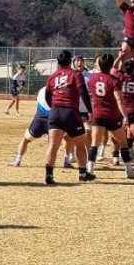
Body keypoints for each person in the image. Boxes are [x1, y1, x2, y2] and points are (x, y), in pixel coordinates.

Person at [43, 50, 95, 184]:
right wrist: (89, 110)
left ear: (58, 62)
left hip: (55, 111)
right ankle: (83, 173)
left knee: (53, 145)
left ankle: (49, 175)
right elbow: (83, 91)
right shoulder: (75, 74)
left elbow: (47, 95)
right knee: (80, 144)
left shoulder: (52, 76)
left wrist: (53, 107)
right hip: (70, 112)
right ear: (70, 61)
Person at [88, 54, 134, 179]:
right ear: (111, 65)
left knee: (94, 143)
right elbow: (119, 99)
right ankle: (129, 171)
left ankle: (90, 169)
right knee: (123, 143)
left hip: (98, 114)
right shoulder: (114, 80)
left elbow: (92, 94)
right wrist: (125, 116)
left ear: (99, 65)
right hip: (113, 115)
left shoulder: (92, 79)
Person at [8, 86, 75, 168]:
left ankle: (18, 160)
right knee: (67, 137)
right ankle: (67, 161)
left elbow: (38, 107)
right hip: (55, 121)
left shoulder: (42, 90)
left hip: (39, 120)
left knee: (25, 139)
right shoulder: (62, 91)